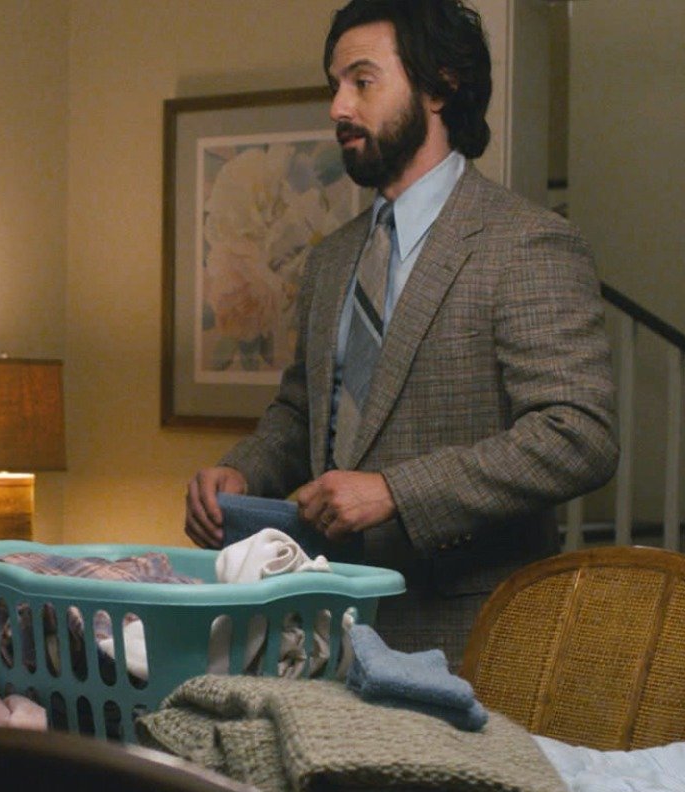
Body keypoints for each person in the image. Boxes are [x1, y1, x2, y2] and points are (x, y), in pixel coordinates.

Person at [185, 0, 616, 665]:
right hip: (322, 630)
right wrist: (244, 470)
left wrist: (396, 492)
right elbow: (303, 412)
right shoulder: (332, 259)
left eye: (362, 81)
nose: (338, 107)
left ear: (439, 86)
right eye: (335, 85)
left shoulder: (526, 243)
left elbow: (577, 435)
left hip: (467, 638)